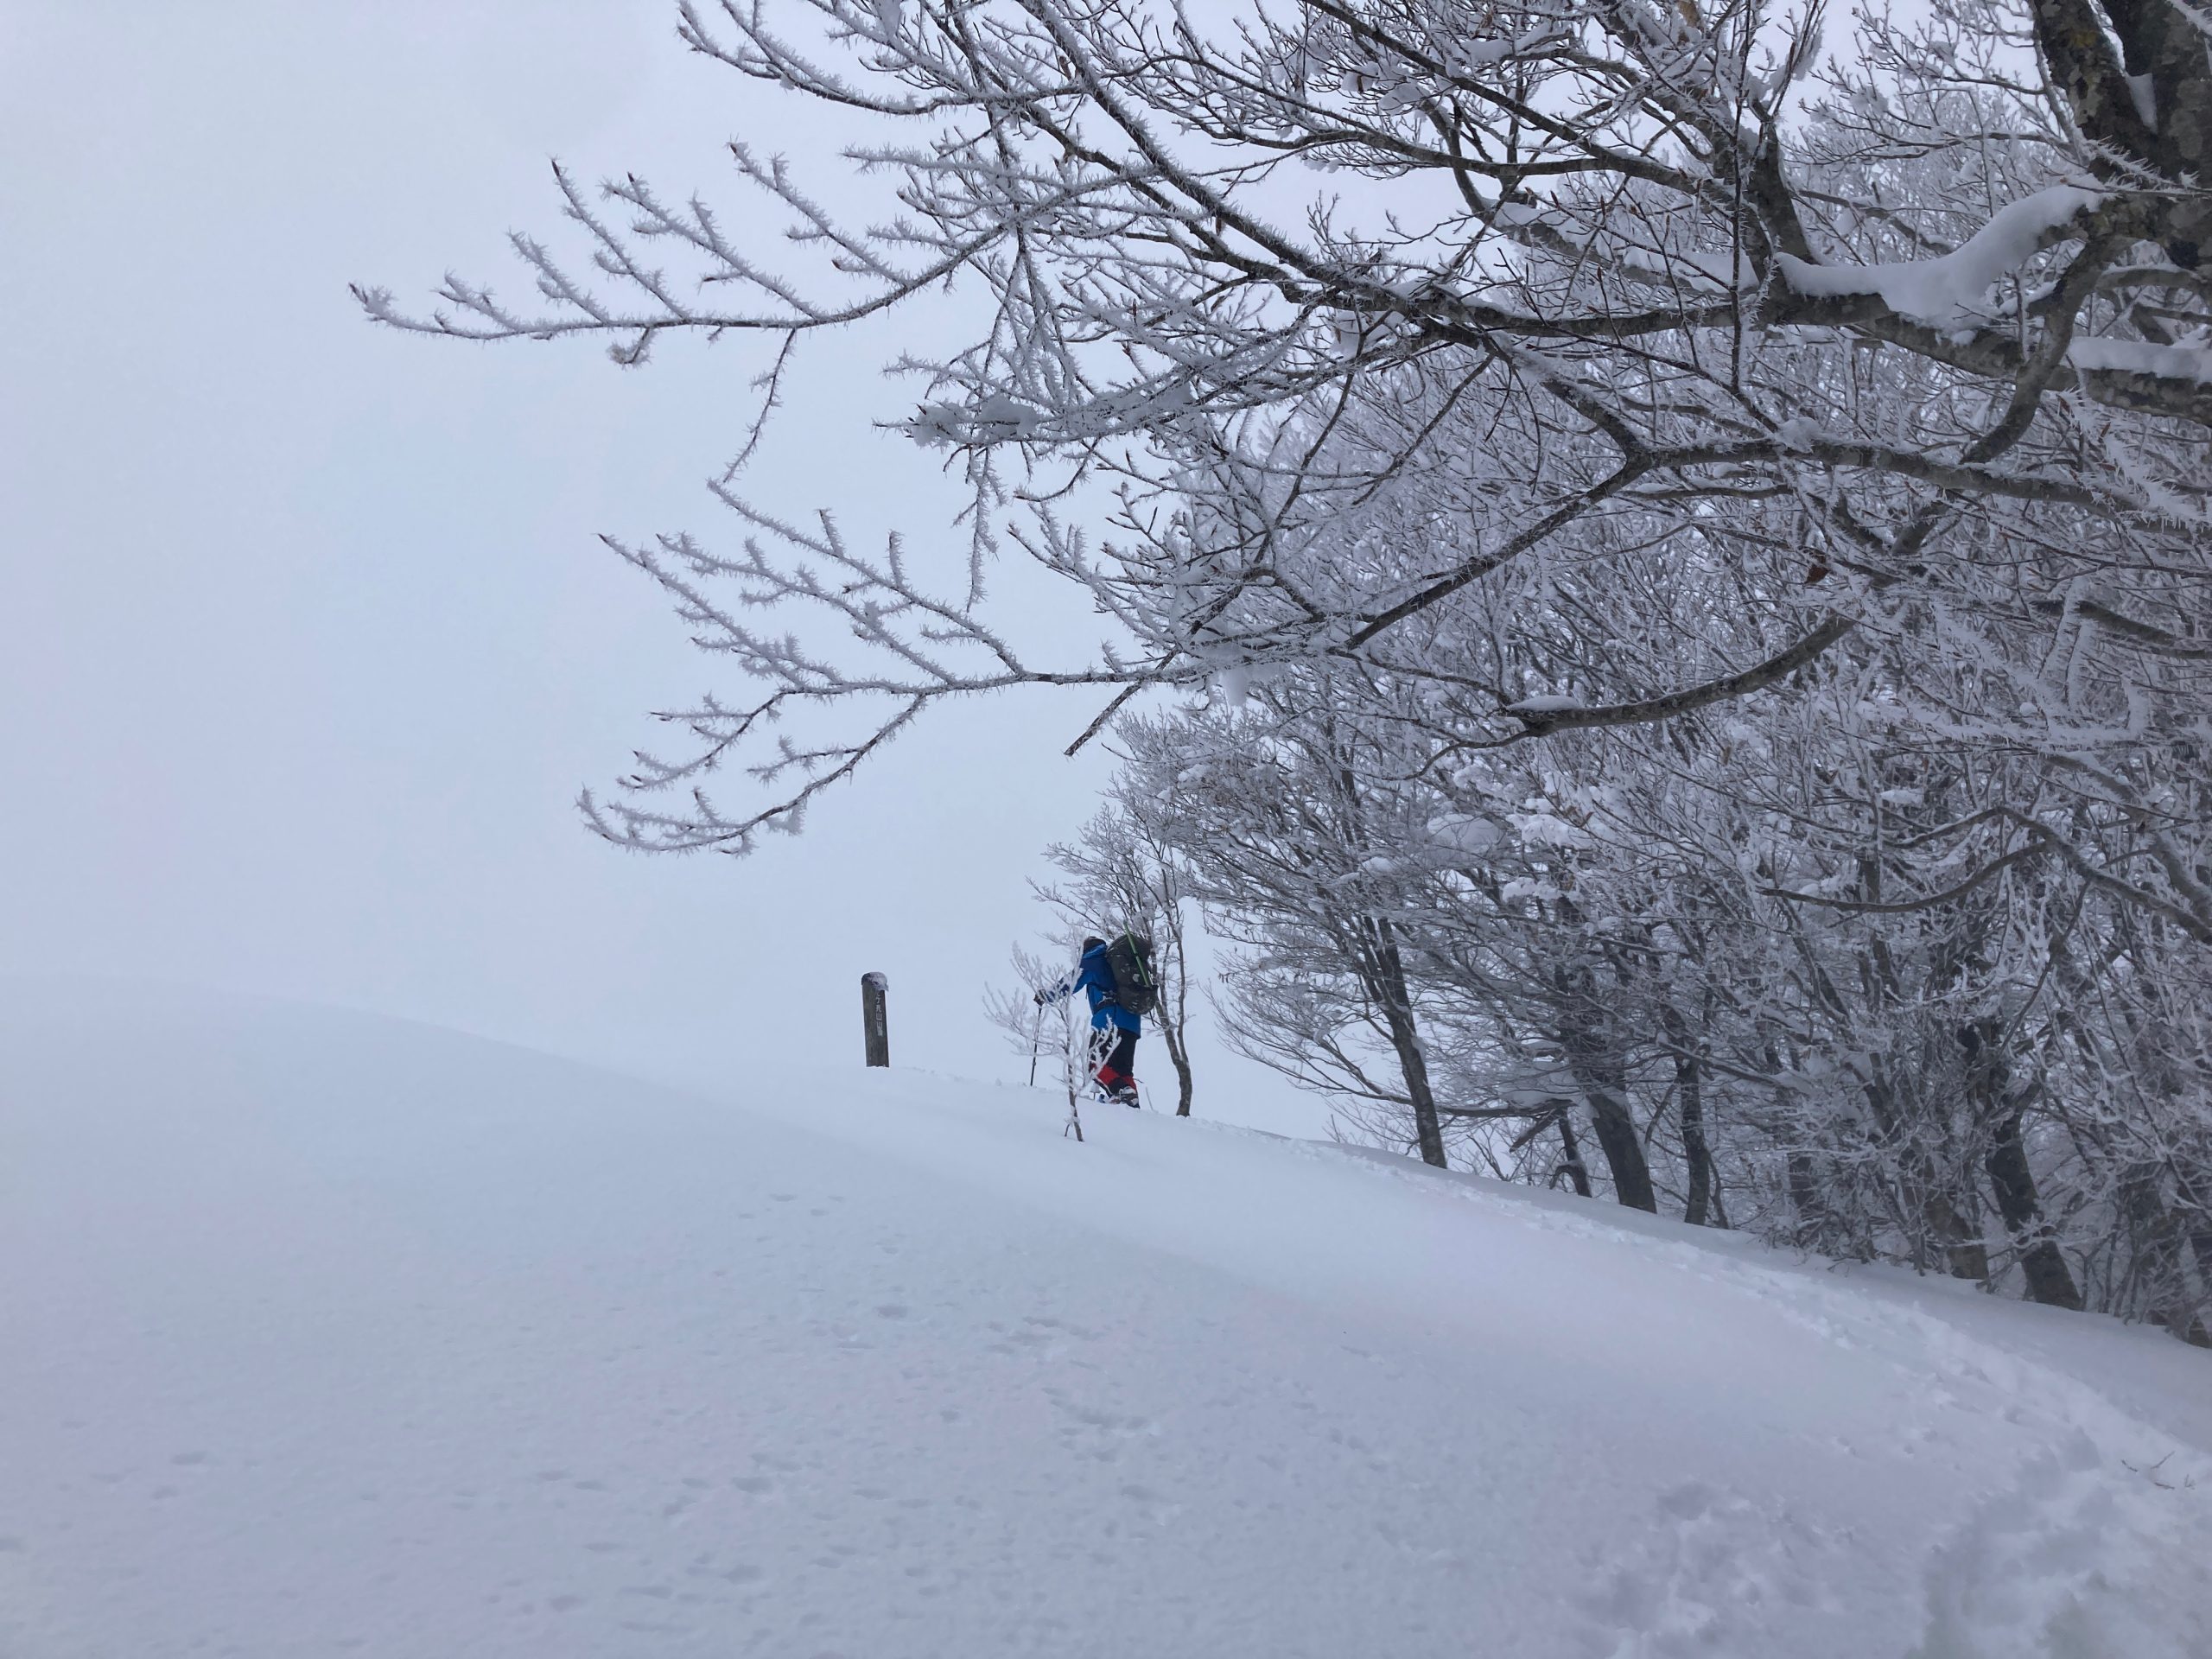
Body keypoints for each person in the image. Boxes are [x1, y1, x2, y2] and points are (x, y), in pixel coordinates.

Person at [1036, 936, 1141, 1106]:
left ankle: (1122, 1091)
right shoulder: (1119, 964)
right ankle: (1131, 1104)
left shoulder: (1094, 961)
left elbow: (1070, 983)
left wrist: (1046, 996)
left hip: (1109, 1021)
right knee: (1123, 1071)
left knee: (1094, 1065)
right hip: (1132, 1023)